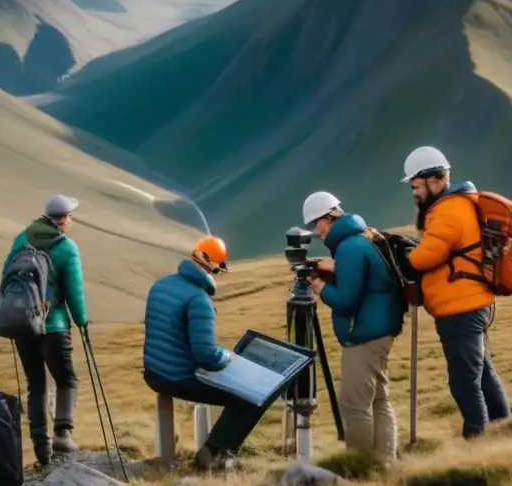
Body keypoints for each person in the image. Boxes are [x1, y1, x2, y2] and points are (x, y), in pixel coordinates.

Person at [399, 146, 511, 439]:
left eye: (416, 186)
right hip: (468, 304)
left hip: (461, 309)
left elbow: (427, 256)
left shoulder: (448, 209)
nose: (415, 193)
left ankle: (478, 443)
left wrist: (407, 258)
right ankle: (506, 432)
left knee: (464, 383)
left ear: (435, 181)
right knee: (482, 375)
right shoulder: (458, 204)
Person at [142, 235, 277, 471]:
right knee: (251, 398)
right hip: (178, 377)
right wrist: (227, 356)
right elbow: (205, 355)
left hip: (154, 372)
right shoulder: (198, 299)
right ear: (214, 266)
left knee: (242, 394)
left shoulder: (161, 284)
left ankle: (212, 452)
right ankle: (211, 456)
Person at [301, 191, 405, 465]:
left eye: (316, 225)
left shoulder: (349, 247)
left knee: (355, 405)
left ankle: (359, 467)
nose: (316, 232)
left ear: (329, 217)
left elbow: (347, 301)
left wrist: (319, 286)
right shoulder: (361, 239)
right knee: (378, 399)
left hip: (364, 334)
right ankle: (384, 463)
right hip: (380, 329)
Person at [2, 194, 89, 465]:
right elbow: (74, 290)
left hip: (22, 323)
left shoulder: (21, 239)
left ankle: (42, 448)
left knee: (36, 384)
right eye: (70, 216)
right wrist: (82, 321)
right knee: (66, 379)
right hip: (54, 325)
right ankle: (63, 434)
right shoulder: (66, 247)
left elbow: (6, 275)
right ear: (62, 220)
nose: (70, 220)